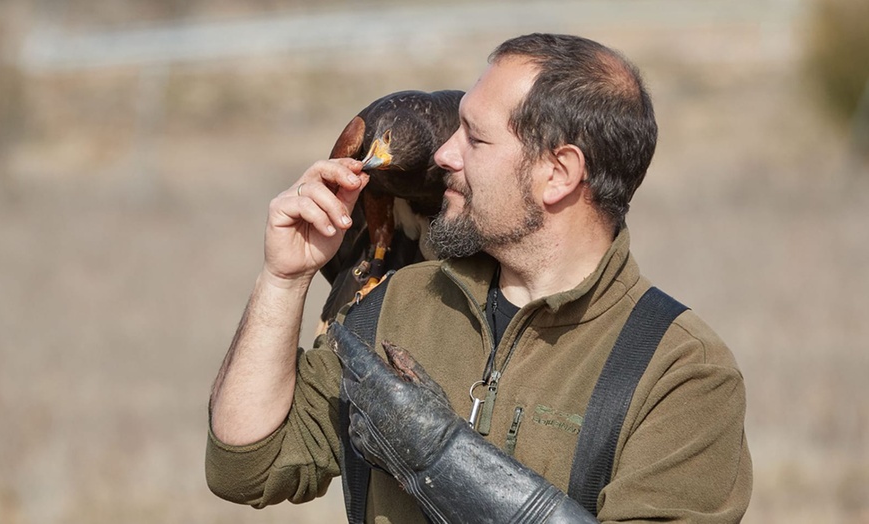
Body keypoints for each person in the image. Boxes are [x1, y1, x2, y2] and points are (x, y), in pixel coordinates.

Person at [206, 33, 752, 523]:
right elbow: (247, 468)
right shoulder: (399, 303)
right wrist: (283, 279)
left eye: (475, 138)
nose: (444, 155)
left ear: (558, 174)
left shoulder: (679, 372)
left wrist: (440, 457)